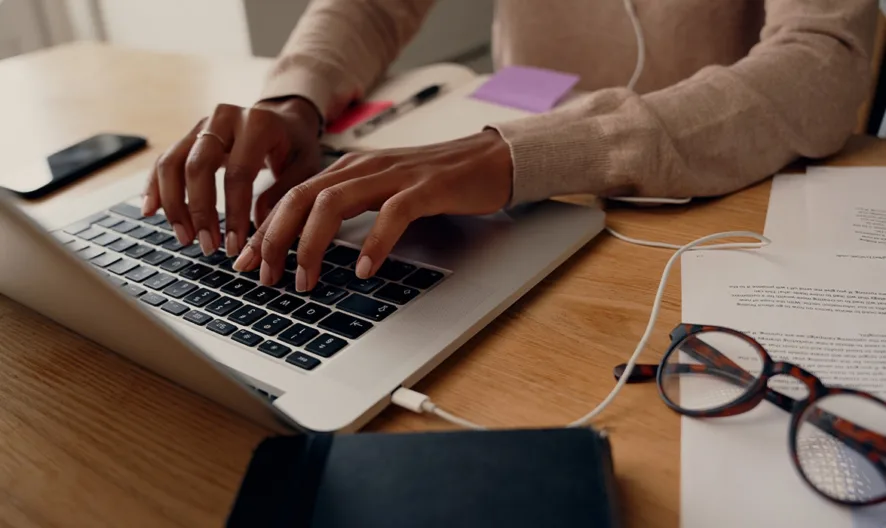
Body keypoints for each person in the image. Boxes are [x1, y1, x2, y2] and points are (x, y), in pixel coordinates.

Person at [142, 0, 876, 293]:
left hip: (706, 211)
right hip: (503, 182)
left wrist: (523, 155)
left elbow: (825, 58)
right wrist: (294, 99)